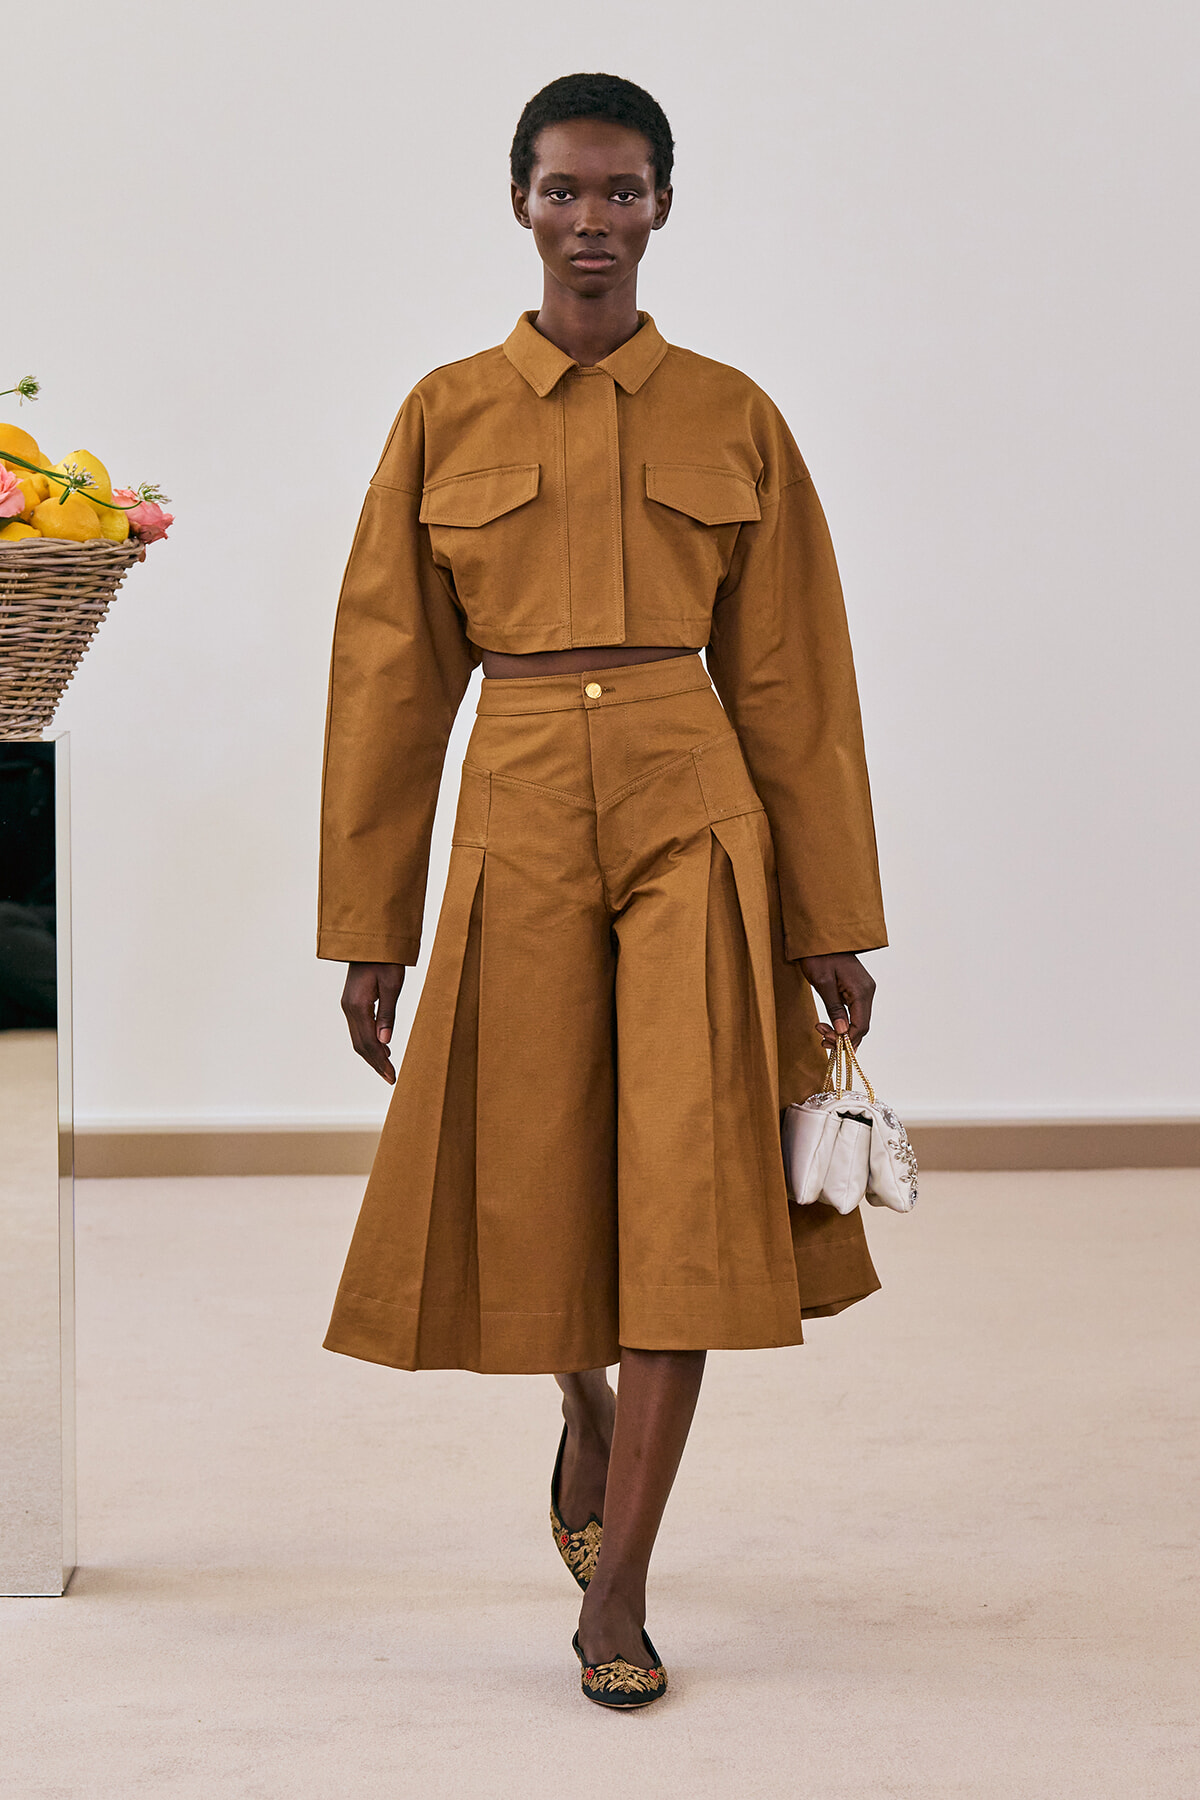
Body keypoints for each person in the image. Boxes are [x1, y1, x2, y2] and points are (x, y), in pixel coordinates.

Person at [317, 72, 886, 1710]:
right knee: (533, 1168)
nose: (592, 222)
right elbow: (388, 680)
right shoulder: (443, 410)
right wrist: (373, 925)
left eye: (622, 193)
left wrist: (828, 913)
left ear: (661, 209)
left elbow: (793, 678)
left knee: (694, 1194)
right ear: (519, 205)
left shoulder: (732, 412)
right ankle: (579, 1405)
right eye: (564, 191)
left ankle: (617, 1587)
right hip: (510, 807)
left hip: (688, 803)